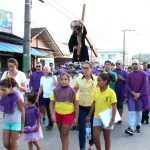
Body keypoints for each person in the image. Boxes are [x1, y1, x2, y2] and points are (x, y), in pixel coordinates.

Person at [86, 73, 117, 150]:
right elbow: (94, 103)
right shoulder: (96, 91)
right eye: (97, 81)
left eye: (99, 81)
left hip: (107, 117)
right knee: (95, 136)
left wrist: (112, 119)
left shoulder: (111, 92)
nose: (97, 83)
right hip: (97, 116)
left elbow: (114, 106)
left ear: (105, 81)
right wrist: (89, 115)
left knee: (107, 136)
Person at [50, 72, 79, 150]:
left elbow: (76, 106)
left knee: (65, 134)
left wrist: (76, 118)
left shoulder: (73, 91)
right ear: (59, 81)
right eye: (61, 79)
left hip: (69, 115)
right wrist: (52, 115)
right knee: (62, 134)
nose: (63, 81)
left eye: (65, 79)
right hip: (58, 114)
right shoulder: (55, 91)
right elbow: (51, 104)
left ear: (69, 80)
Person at [74, 61, 97, 150]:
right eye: (84, 68)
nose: (85, 69)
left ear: (91, 69)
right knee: (82, 130)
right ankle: (82, 147)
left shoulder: (96, 79)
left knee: (92, 129)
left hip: (93, 107)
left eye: (87, 68)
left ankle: (91, 145)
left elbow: (101, 91)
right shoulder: (79, 79)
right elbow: (74, 91)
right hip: (81, 107)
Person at [125, 59, 150, 135]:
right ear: (131, 66)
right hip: (131, 96)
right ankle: (131, 128)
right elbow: (127, 86)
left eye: (136, 64)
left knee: (139, 112)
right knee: (131, 112)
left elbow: (145, 86)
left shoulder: (143, 74)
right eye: (133, 64)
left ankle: (138, 126)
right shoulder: (129, 75)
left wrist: (139, 94)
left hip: (140, 96)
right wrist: (133, 93)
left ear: (138, 65)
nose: (134, 65)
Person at [0, 77, 25, 150]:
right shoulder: (3, 96)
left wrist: (22, 126)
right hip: (6, 122)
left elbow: (22, 111)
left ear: (10, 87)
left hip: (16, 123)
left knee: (12, 145)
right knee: (6, 144)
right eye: (1, 90)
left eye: (4, 90)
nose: (2, 92)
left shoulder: (16, 96)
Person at [36, 65, 58, 130]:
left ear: (50, 70)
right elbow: (41, 88)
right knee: (48, 110)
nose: (46, 71)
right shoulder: (42, 78)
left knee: (53, 110)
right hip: (45, 96)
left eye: (47, 69)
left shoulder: (53, 77)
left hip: (52, 97)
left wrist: (53, 77)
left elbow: (57, 85)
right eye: (44, 69)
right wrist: (37, 96)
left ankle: (53, 122)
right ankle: (51, 123)